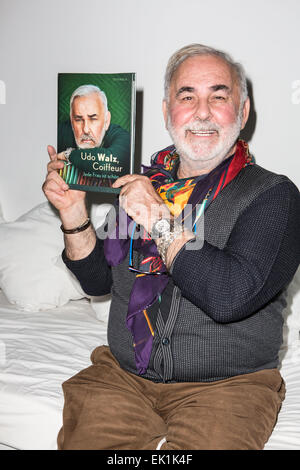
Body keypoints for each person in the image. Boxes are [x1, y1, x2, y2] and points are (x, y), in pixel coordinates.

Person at [43, 44, 300, 450]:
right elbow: (96, 282)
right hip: (122, 378)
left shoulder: (273, 196)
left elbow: (230, 297)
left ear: (243, 112)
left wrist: (159, 219)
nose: (202, 111)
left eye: (219, 96)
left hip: (228, 387)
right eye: (187, 96)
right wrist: (74, 214)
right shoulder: (141, 186)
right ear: (167, 112)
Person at [57, 84, 131, 176]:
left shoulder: (122, 137)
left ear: (106, 120)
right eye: (78, 120)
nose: (86, 129)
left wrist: (68, 155)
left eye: (93, 119)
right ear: (72, 121)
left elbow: (107, 163)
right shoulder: (60, 132)